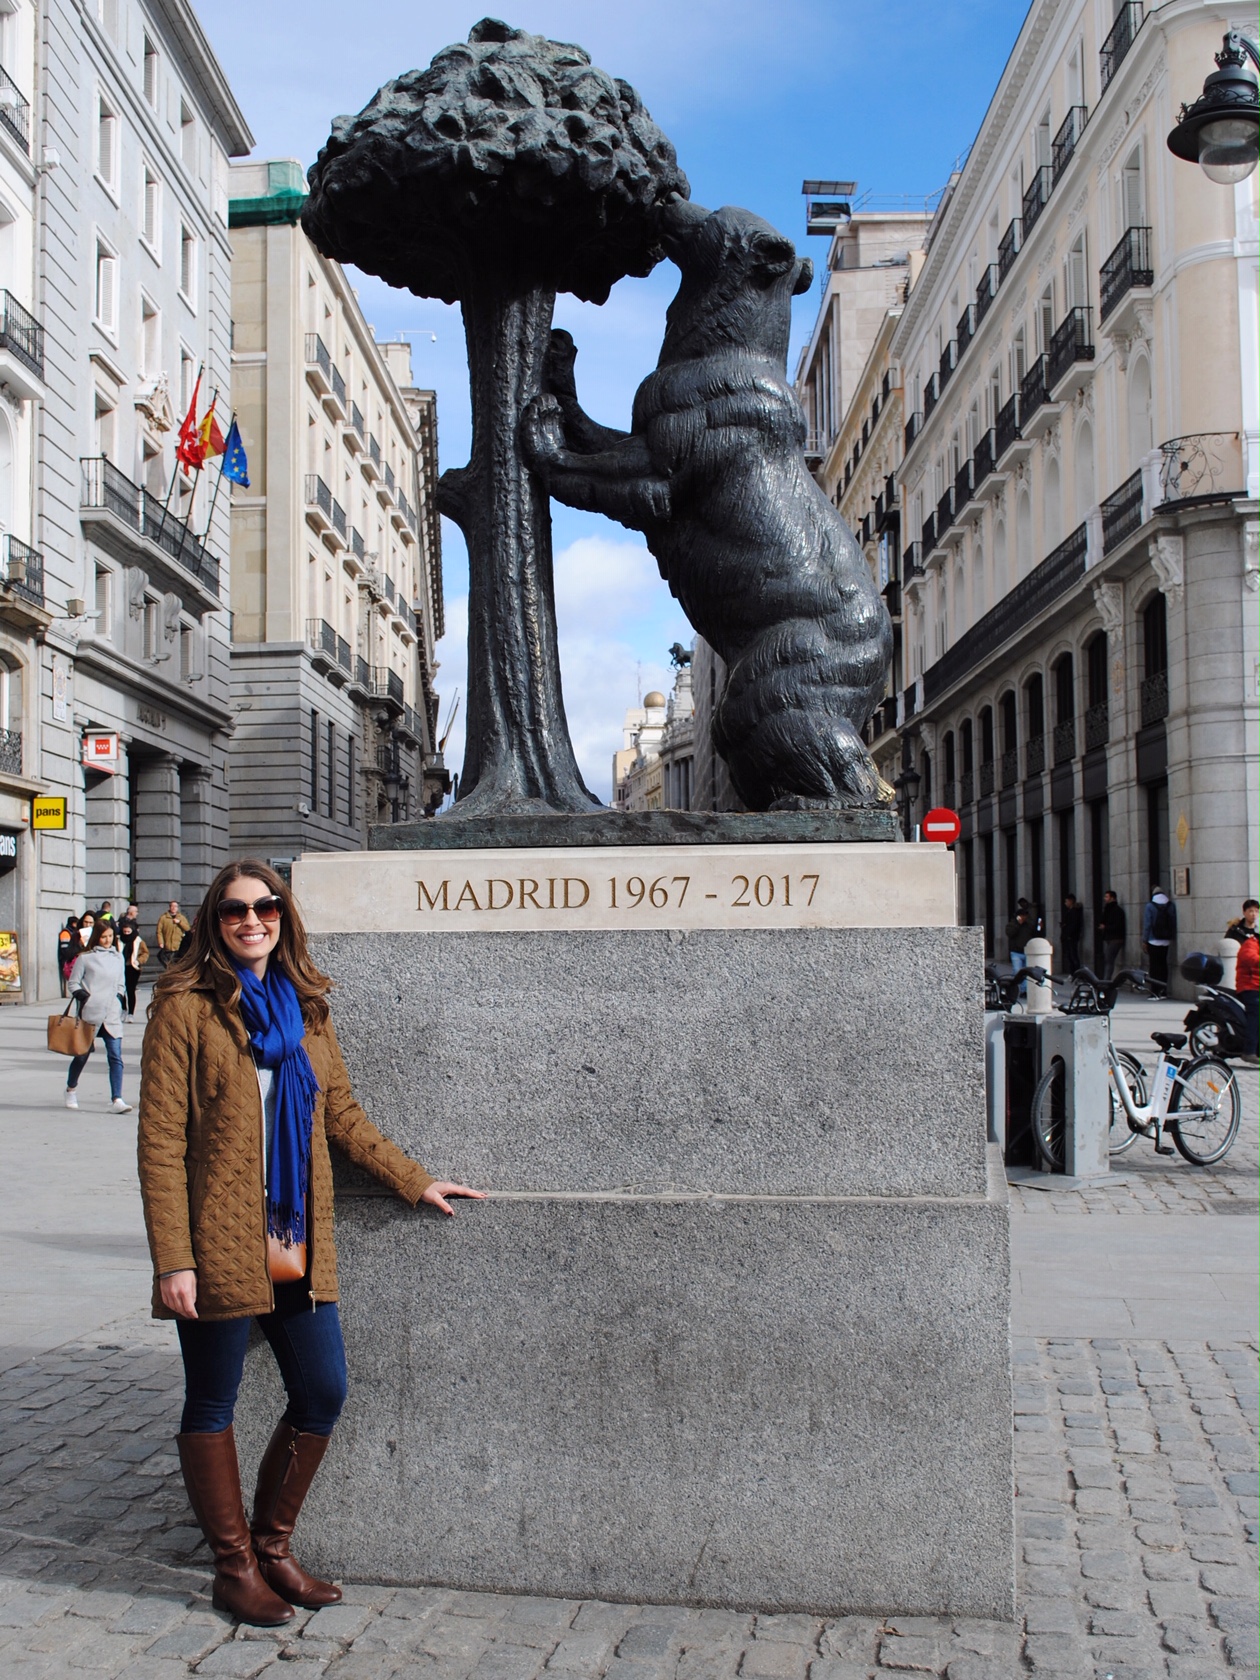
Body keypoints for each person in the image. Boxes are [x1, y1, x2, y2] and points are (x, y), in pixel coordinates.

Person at [138, 860, 484, 1628]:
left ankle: (272, 1547)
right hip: (220, 1238)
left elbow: (343, 1118)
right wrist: (173, 1259)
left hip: (293, 1233)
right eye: (234, 911)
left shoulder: (308, 1008)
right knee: (211, 1404)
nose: (251, 921)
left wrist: (414, 1179)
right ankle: (233, 1570)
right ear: (213, 921)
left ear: (284, 918)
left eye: (265, 907)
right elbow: (160, 1142)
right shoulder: (185, 1008)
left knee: (323, 1390)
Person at [65, 920, 130, 1112]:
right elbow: (73, 983)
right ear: (96, 937)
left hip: (111, 1012)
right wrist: (84, 997)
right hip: (91, 1012)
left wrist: (119, 998)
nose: (107, 940)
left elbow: (121, 983)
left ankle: (117, 1098)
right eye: (104, 937)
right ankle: (71, 1089)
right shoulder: (85, 958)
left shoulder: (118, 957)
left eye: (110, 936)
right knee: (82, 1055)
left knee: (115, 1056)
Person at [1142, 887, 1177, 996]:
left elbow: (1147, 924)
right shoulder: (1170, 905)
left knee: (1154, 966)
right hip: (1166, 940)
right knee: (1163, 965)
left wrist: (1144, 940)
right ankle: (1163, 989)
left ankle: (1155, 990)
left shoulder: (1150, 906)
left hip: (1153, 940)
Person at [117, 904, 148, 1020]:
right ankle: (123, 1009)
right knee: (120, 990)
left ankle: (131, 1013)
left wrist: (139, 961)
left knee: (130, 990)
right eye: (124, 932)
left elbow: (145, 953)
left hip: (133, 968)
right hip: (120, 968)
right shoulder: (118, 940)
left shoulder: (138, 940)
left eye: (128, 931)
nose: (126, 933)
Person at [1099, 891, 1126, 980]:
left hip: (1116, 938)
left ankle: (1106, 980)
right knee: (1108, 959)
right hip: (1109, 938)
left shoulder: (1117, 910)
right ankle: (1106, 979)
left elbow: (1117, 925)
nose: (1105, 899)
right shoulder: (1107, 909)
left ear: (1112, 898)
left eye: (1107, 897)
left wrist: (1105, 927)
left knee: (1109, 959)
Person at [156, 900, 190, 968]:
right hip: (167, 946)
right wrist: (161, 942)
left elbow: (187, 928)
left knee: (176, 964)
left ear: (177, 908)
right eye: (172, 906)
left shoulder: (181, 918)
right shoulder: (163, 918)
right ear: (170, 907)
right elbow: (159, 931)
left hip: (178, 946)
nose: (174, 908)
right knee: (166, 962)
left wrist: (179, 922)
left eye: (175, 906)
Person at [1060, 893, 1084, 976]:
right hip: (1069, 936)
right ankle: (1073, 973)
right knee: (1070, 955)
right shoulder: (1071, 911)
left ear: (1070, 901)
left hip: (1071, 937)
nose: (1065, 903)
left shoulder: (1074, 912)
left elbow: (1073, 925)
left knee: (1073, 955)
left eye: (1066, 901)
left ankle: (1076, 973)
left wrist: (1068, 933)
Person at [58, 915, 80, 996]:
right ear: (73, 924)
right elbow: (64, 949)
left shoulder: (73, 932)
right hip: (67, 960)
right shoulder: (65, 933)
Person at [1006, 906, 1032, 972]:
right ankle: (1016, 982)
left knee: (1026, 972)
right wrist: (1018, 924)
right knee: (1017, 970)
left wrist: (1039, 927)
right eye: (1022, 915)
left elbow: (1035, 933)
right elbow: (1010, 933)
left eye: (1025, 916)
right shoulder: (1012, 924)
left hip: (1026, 951)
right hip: (1016, 952)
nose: (1024, 917)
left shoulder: (1028, 925)